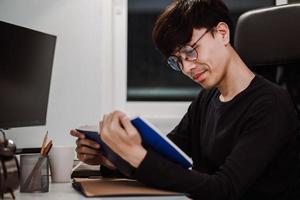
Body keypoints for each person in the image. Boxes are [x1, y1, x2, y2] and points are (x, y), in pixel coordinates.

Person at [70, 0, 300, 199]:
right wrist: (113, 158)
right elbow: (167, 160)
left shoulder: (270, 104)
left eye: (190, 51)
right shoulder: (206, 99)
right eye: (177, 61)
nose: (187, 67)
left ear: (222, 33)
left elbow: (224, 189)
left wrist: (135, 155)